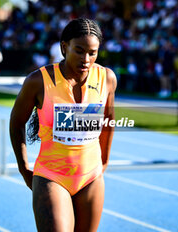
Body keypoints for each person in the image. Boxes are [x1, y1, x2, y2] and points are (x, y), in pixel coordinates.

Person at [9, 18, 117, 231]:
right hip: (52, 176)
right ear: (64, 47)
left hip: (91, 177)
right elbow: (16, 123)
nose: (86, 59)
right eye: (79, 50)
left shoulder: (107, 78)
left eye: (92, 52)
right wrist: (23, 168)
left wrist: (104, 161)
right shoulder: (38, 81)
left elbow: (108, 121)